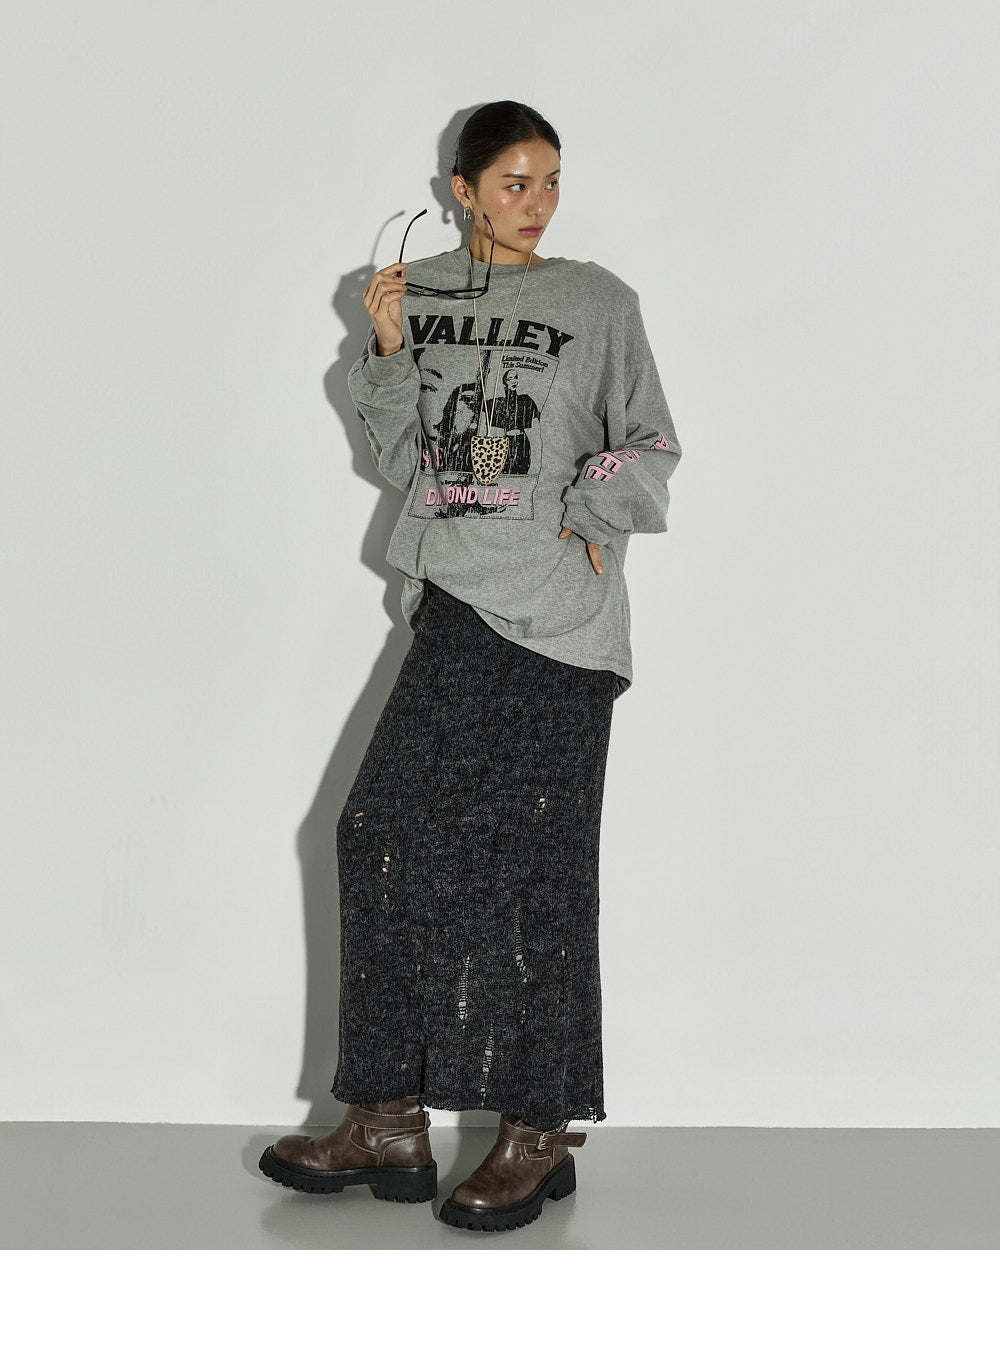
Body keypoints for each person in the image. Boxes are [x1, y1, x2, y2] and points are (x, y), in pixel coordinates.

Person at [259, 100, 683, 1232]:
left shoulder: (597, 301)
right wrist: (390, 349)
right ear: (460, 189)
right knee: (377, 832)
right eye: (513, 183)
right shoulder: (416, 293)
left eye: (551, 182)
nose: (537, 204)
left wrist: (591, 508)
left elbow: (649, 438)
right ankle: (388, 1118)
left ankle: (537, 1131)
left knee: (537, 871)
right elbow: (405, 459)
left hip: (560, 616)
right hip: (455, 600)